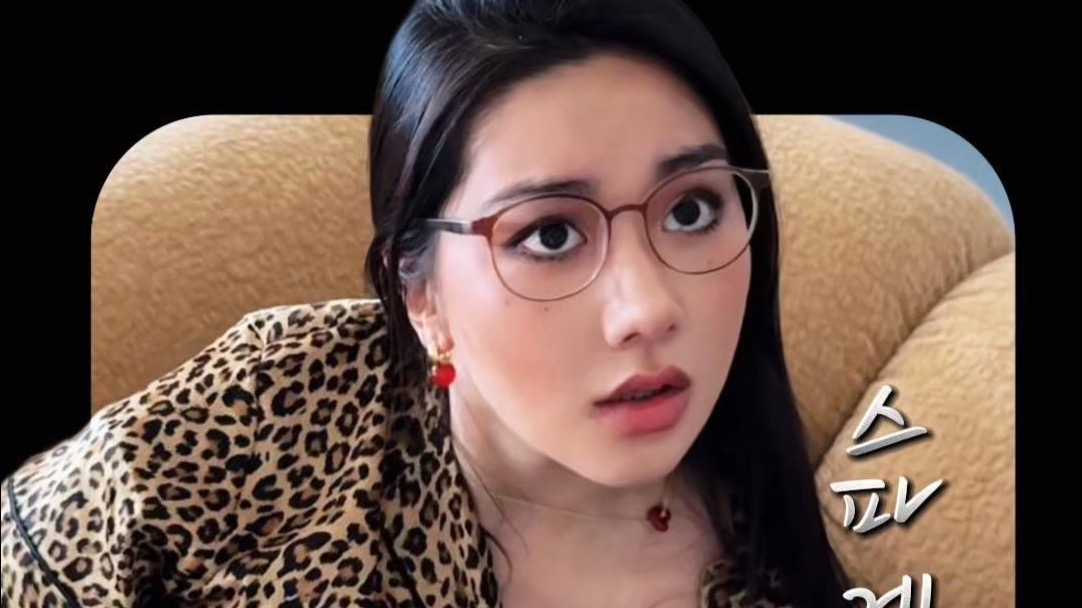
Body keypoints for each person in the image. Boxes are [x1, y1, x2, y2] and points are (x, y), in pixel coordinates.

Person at [1, 0, 851, 606]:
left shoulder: (775, 550)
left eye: (692, 210)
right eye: (551, 234)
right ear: (420, 293)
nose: (648, 309)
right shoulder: (268, 408)